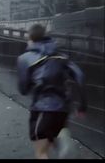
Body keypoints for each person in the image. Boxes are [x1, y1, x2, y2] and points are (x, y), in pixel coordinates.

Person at [16, 24, 87, 159]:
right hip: (63, 110)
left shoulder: (25, 58)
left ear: (30, 37)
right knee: (52, 136)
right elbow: (80, 76)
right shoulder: (62, 56)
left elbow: (23, 90)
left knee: (41, 152)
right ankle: (61, 138)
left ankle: (61, 140)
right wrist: (83, 106)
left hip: (42, 109)